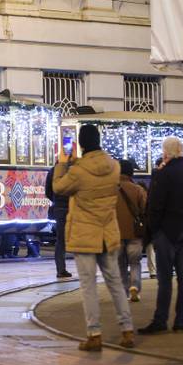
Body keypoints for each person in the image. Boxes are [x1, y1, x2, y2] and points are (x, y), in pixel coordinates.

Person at [51, 124, 135, 351]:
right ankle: (127, 330)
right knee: (116, 283)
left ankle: (95, 334)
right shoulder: (115, 167)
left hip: (85, 235)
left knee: (88, 286)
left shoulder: (78, 172)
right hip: (107, 233)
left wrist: (61, 164)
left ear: (81, 144)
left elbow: (58, 188)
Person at [139, 137, 183, 335]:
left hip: (167, 232)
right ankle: (181, 321)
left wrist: (154, 229)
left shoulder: (162, 175)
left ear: (165, 153)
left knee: (165, 278)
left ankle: (161, 320)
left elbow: (155, 206)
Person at [116, 159, 147, 302]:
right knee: (135, 262)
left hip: (116, 234)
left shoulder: (111, 189)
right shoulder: (138, 189)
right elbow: (145, 209)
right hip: (135, 233)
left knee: (120, 264)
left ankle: (123, 292)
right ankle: (134, 286)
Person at [45, 160, 72, 279]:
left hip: (59, 208)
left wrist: (56, 200)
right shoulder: (74, 170)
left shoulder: (53, 171)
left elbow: (48, 192)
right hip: (74, 208)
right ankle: (86, 268)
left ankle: (61, 269)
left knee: (60, 240)